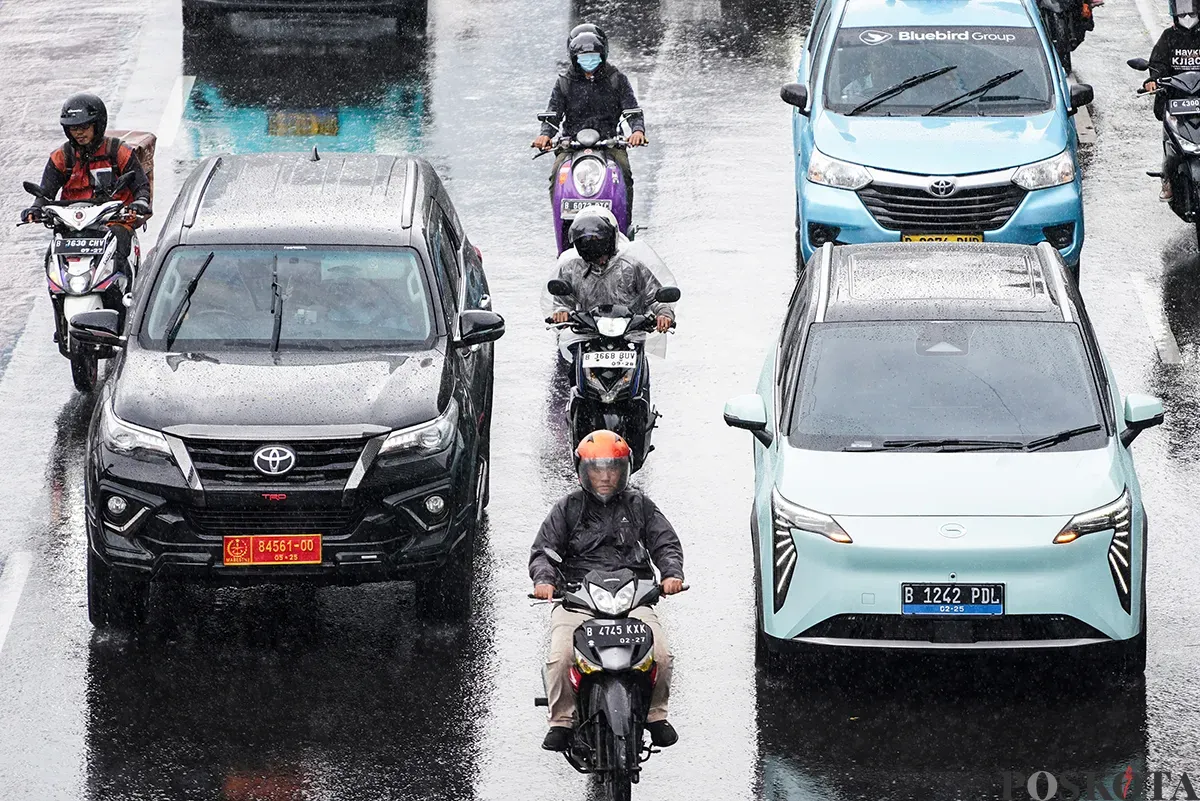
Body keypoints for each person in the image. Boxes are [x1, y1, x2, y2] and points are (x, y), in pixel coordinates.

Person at [529, 430, 686, 752]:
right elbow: (544, 551)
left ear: (625, 470)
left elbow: (665, 543)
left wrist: (671, 574)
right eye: (597, 470)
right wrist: (544, 580)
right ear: (582, 471)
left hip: (635, 595)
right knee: (560, 657)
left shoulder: (640, 504)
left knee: (662, 655)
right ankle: (561, 719)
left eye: (612, 469)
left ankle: (656, 714)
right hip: (576, 596)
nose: (604, 477)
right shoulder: (567, 507)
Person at [21, 93, 152, 270]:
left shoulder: (119, 151)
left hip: (113, 222)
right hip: (72, 224)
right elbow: (45, 193)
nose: (79, 133)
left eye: (84, 126)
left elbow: (141, 186)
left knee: (120, 248)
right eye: (74, 128)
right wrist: (35, 209)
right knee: (52, 259)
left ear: (98, 125)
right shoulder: (61, 156)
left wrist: (139, 203)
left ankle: (125, 292)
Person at [532, 27, 646, 213]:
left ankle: (625, 223)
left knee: (624, 174)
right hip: (572, 144)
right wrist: (545, 135)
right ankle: (562, 223)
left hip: (610, 143)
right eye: (583, 57)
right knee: (556, 177)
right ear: (574, 58)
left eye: (594, 56)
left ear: (603, 55)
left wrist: (637, 131)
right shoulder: (564, 83)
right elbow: (553, 113)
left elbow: (632, 111)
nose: (589, 61)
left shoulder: (616, 79)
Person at [548, 207, 674, 336]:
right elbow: (562, 302)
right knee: (565, 353)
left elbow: (654, 297)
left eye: (603, 256)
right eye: (594, 258)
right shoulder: (571, 268)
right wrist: (561, 312)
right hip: (587, 334)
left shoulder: (632, 266)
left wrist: (663, 313)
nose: (601, 262)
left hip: (631, 334)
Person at [1144, 0, 1200, 200]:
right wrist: (1152, 81)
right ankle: (1168, 176)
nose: (1187, 17)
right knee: (1170, 135)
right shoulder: (1169, 37)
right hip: (1177, 99)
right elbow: (1157, 64)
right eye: (1182, 13)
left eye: (1191, 12)